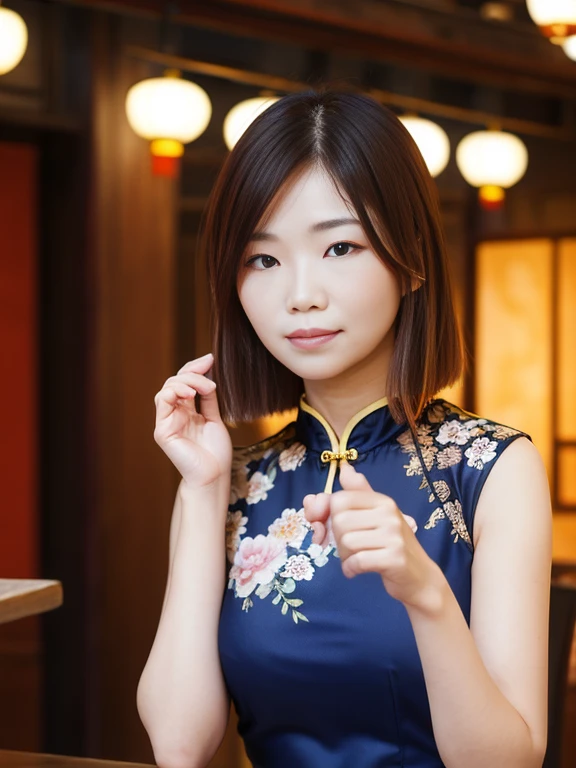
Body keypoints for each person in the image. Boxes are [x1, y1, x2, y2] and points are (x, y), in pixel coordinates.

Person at [136, 89, 552, 768]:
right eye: (263, 259)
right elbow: (179, 746)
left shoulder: (491, 469)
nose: (300, 292)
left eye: (339, 246)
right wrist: (204, 489)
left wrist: (426, 593)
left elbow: (509, 760)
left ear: (411, 257)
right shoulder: (233, 482)